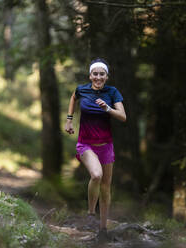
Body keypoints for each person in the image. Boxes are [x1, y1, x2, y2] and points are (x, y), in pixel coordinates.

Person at [65, 58, 126, 240]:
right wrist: (69, 119)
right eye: (95, 74)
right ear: (90, 75)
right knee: (96, 175)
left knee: (106, 188)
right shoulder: (82, 89)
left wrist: (108, 108)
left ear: (107, 76)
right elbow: (73, 97)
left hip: (106, 146)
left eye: (102, 74)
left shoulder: (112, 92)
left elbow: (123, 117)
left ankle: (103, 230)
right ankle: (91, 213)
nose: (98, 77)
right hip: (86, 144)